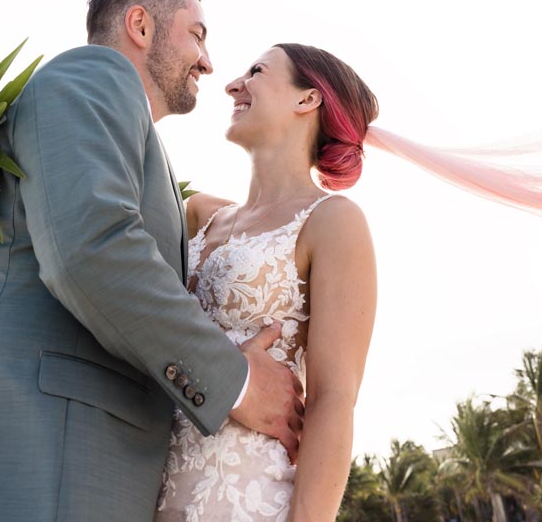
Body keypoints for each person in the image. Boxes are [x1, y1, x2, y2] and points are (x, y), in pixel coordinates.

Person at [0, 0, 304, 521]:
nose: (207, 61)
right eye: (197, 35)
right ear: (140, 25)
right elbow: (94, 249)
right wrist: (236, 381)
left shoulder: (123, 130)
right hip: (34, 461)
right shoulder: (89, 77)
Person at [156, 43, 379, 520]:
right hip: (144, 483)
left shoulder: (333, 221)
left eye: (255, 71)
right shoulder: (197, 215)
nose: (233, 85)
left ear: (307, 100)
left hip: (246, 498)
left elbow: (333, 400)